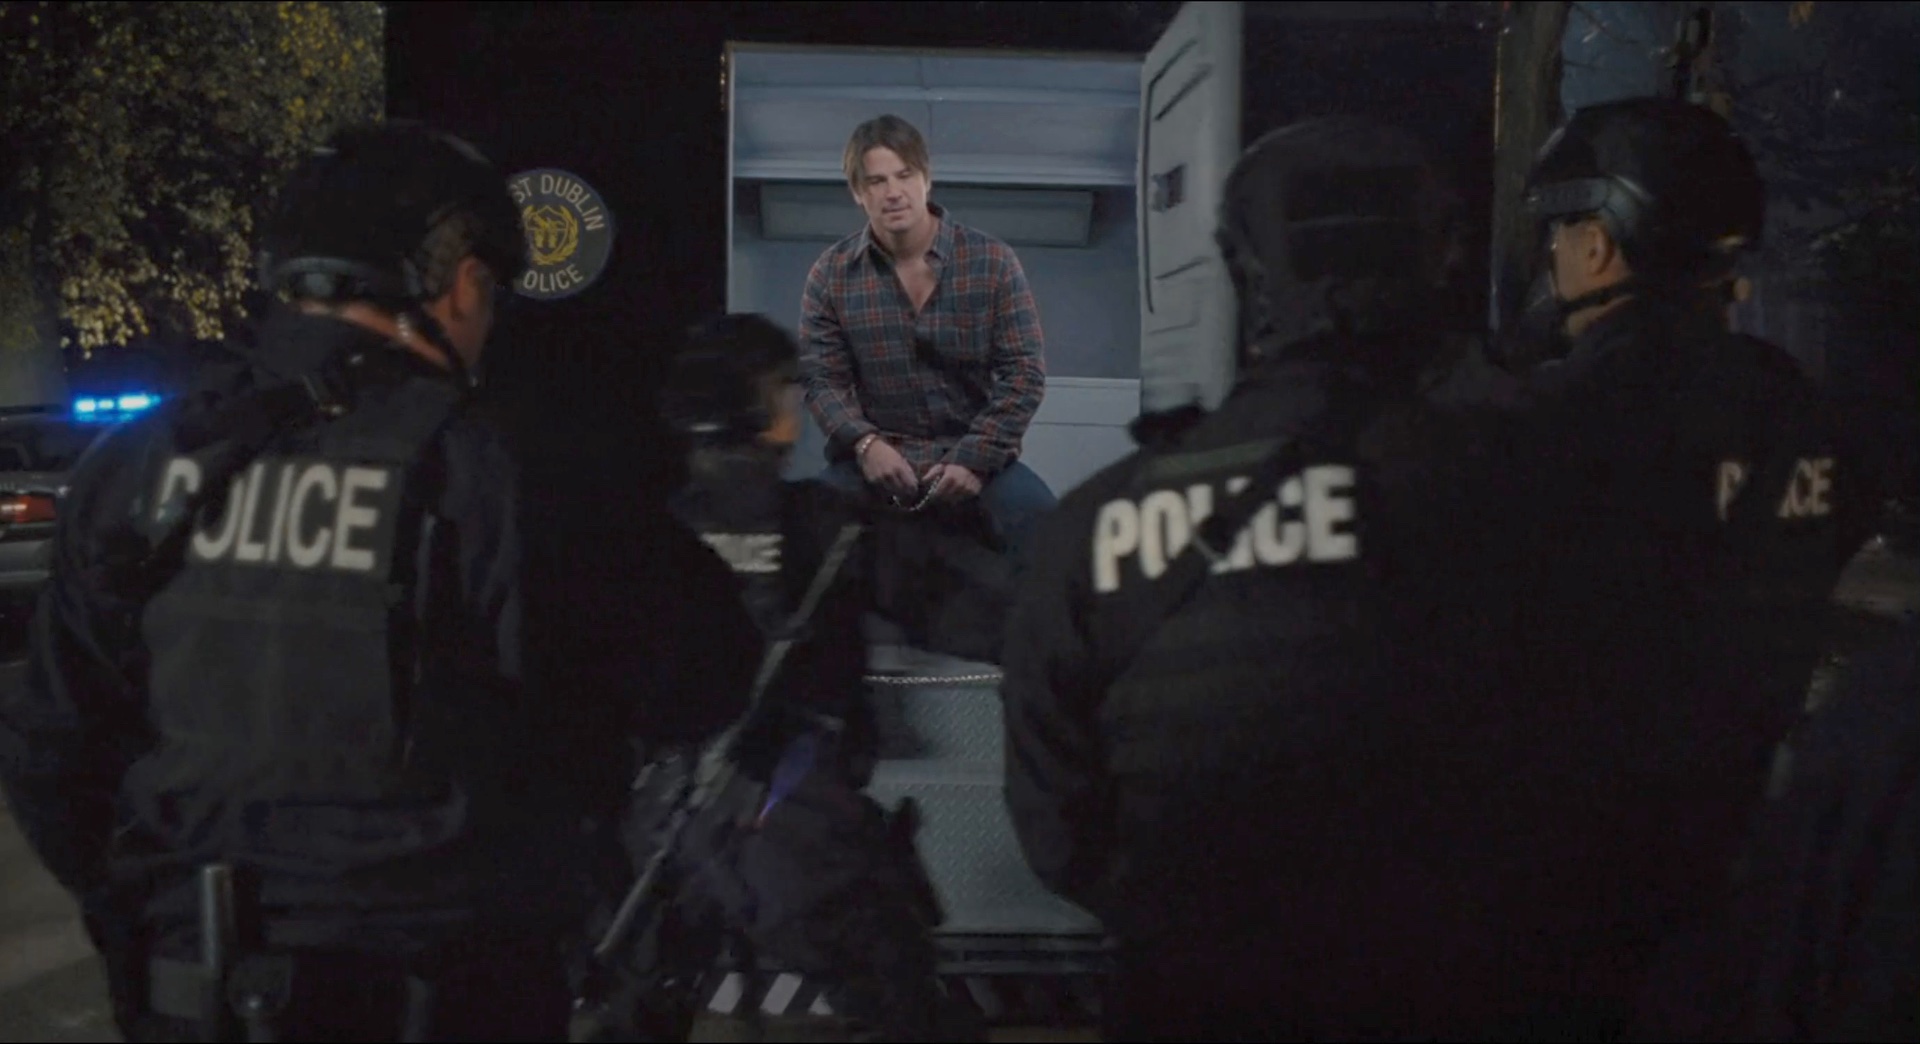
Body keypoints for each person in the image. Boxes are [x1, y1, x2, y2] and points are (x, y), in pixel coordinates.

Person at [0, 120, 758, 1041]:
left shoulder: (142, 464)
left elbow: (49, 747)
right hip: (437, 999)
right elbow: (707, 674)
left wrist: (147, 919)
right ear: (464, 283)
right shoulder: (501, 473)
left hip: (191, 995)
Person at [1001, 115, 1558, 1039]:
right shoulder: (1535, 481)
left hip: (1195, 998)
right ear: (1435, 264)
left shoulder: (1093, 528)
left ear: (1249, 275)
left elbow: (1057, 830)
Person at [1475, 96, 1878, 1035]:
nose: (1553, 256)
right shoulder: (1795, 406)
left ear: (1599, 245)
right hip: (1742, 858)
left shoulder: (1554, 417)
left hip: (1573, 884)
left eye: (1560, 234)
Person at [577, 313, 981, 1042]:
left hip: (663, 825)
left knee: (630, 1002)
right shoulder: (830, 526)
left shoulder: (644, 536)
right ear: (751, 404)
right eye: (784, 389)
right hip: (800, 818)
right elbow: (965, 607)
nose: (796, 407)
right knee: (901, 997)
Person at [798, 113, 1056, 566]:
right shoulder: (831, 274)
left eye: (905, 175)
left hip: (978, 455)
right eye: (877, 181)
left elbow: (1024, 376)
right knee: (805, 534)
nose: (893, 192)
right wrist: (866, 445)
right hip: (875, 459)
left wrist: (974, 459)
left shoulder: (992, 261)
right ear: (858, 192)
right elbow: (822, 380)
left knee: (1049, 531)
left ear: (926, 179)